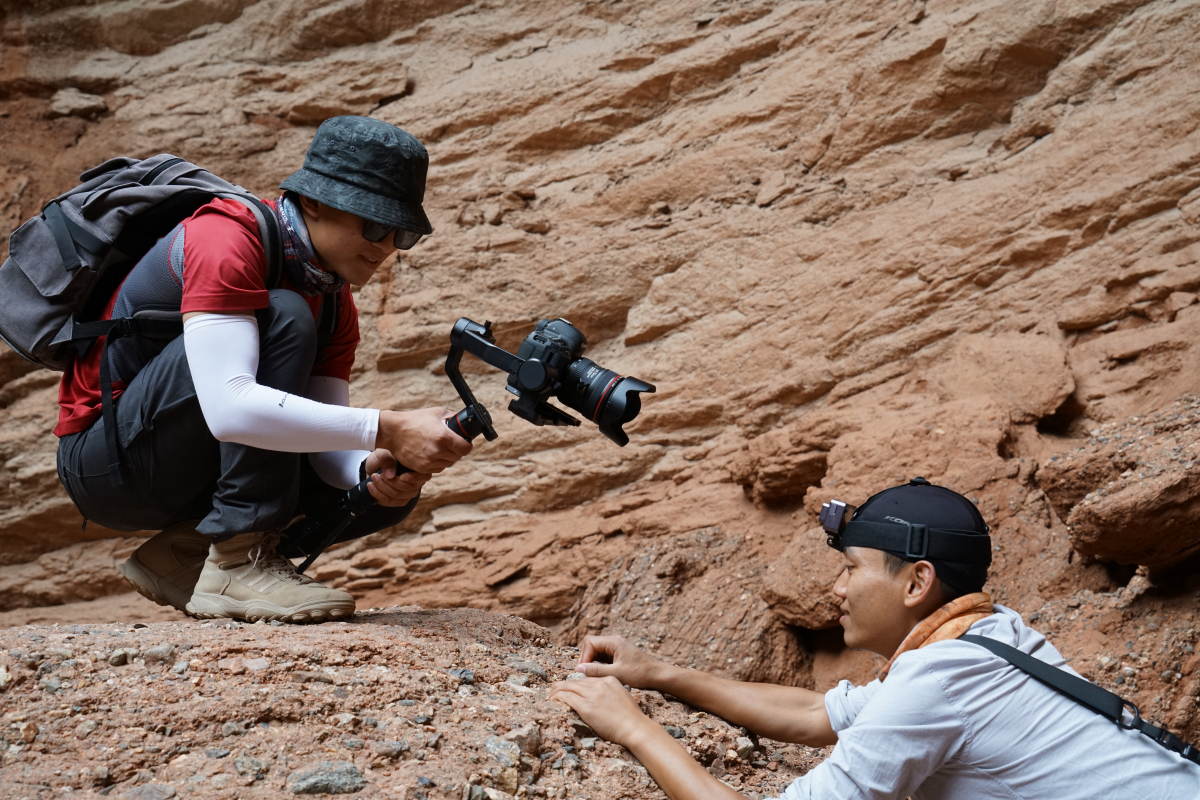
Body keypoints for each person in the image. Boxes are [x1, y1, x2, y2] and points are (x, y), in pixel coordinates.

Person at [54, 116, 472, 623]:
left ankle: (181, 556)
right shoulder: (225, 238)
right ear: (313, 202)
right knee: (282, 313)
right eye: (375, 225)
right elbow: (230, 409)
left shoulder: (332, 297)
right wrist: (387, 426)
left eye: (401, 234)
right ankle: (238, 562)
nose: (385, 247)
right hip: (107, 466)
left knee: (382, 491)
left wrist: (369, 465)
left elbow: (326, 450)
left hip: (180, 465)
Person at [549, 478, 1200, 799]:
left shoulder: (939, 680)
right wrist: (658, 674)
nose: (836, 589)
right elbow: (816, 714)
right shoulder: (986, 635)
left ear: (917, 582)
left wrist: (633, 728)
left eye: (851, 569)